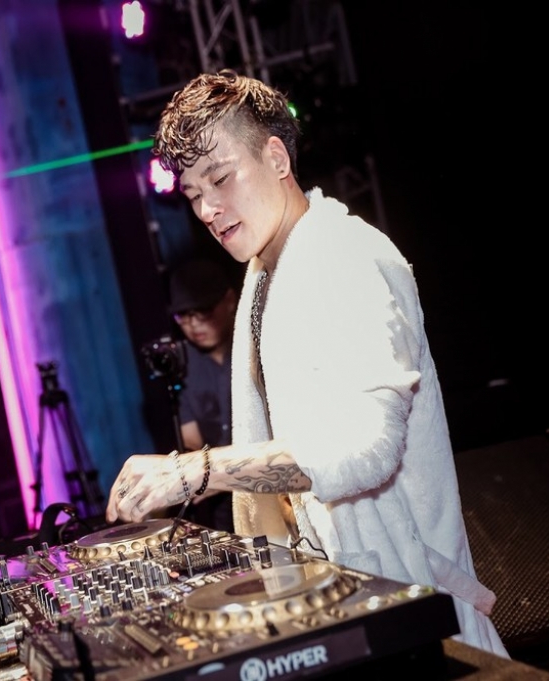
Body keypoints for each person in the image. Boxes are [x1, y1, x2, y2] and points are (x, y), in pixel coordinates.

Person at [105, 69, 508, 657]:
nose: (209, 209)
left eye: (220, 178)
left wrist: (196, 470)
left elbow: (365, 449)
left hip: (419, 619)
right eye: (193, 195)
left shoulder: (346, 256)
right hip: (354, 606)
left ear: (276, 158)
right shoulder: (265, 275)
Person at [167, 257, 238, 532]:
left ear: (229, 300)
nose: (194, 324)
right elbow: (191, 440)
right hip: (222, 504)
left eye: (203, 311)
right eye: (183, 315)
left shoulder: (256, 346)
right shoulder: (181, 363)